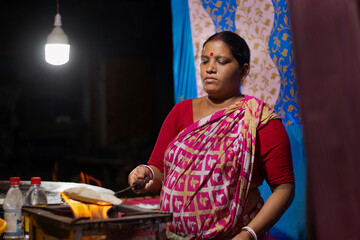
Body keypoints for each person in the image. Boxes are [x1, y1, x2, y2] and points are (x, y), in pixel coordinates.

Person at [128, 31, 295, 240]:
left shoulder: (259, 120)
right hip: (172, 235)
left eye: (222, 61)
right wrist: (146, 174)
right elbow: (159, 170)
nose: (210, 68)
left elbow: (284, 187)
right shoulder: (180, 111)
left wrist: (249, 234)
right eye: (205, 60)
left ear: (243, 71)